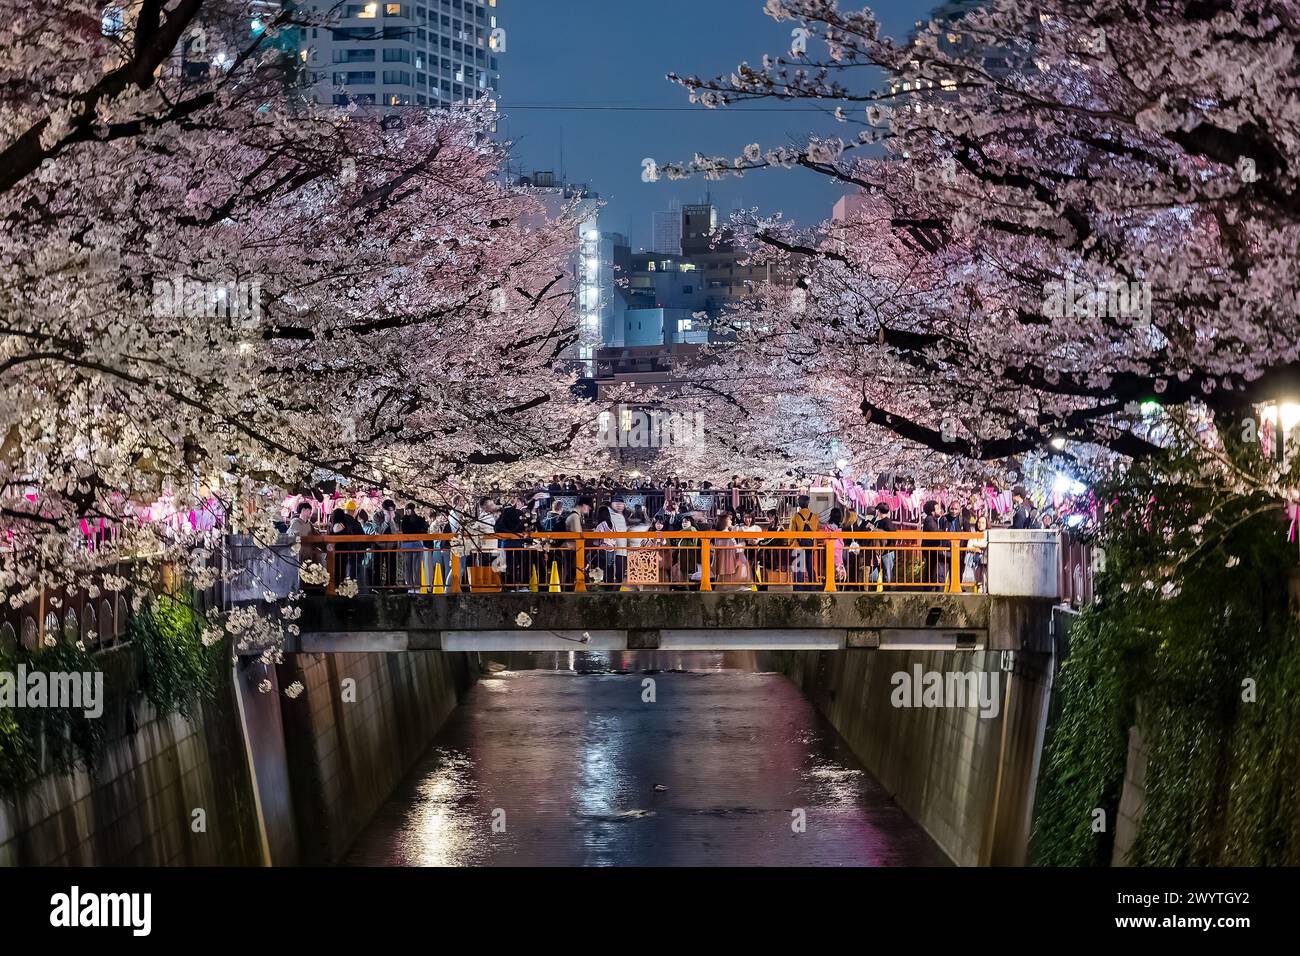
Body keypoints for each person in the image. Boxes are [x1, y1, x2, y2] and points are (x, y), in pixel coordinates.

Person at [494, 494, 530, 590]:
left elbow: (497, 528)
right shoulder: (518, 513)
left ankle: (509, 584)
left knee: (508, 564)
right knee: (522, 563)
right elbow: (524, 526)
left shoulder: (502, 515)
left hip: (506, 543)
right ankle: (523, 584)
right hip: (518, 542)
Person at [789, 495, 820, 590]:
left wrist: (790, 544)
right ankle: (812, 587)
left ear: (799, 503)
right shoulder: (814, 517)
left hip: (798, 545)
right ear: (808, 503)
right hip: (810, 546)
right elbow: (816, 531)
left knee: (799, 568)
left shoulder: (796, 516)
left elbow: (792, 532)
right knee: (810, 566)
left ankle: (799, 589)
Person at [399, 502, 430, 592]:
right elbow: (405, 530)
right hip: (408, 543)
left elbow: (423, 530)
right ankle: (409, 585)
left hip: (416, 543)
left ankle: (416, 585)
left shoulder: (419, 519)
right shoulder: (404, 519)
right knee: (408, 565)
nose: (408, 511)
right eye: (407, 510)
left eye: (410, 510)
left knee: (416, 566)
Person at [371, 499, 400, 588]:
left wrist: (392, 521)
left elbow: (396, 532)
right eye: (388, 511)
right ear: (383, 510)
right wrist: (386, 522)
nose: (390, 512)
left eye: (392, 510)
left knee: (391, 566)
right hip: (379, 545)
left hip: (391, 545)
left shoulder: (397, 516)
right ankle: (376, 586)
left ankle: (391, 585)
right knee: (377, 566)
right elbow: (379, 531)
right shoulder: (376, 516)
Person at [870, 502, 897, 587]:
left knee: (888, 573)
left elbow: (892, 535)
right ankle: (886, 589)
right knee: (885, 572)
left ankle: (888, 590)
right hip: (883, 550)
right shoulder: (881, 521)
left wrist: (876, 530)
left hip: (887, 550)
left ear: (879, 511)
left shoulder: (886, 522)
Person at [921, 500, 943, 590]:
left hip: (931, 548)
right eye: (937, 509)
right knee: (931, 568)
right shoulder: (930, 519)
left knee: (931, 567)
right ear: (932, 511)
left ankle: (929, 586)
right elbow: (935, 531)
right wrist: (945, 532)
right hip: (930, 548)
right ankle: (929, 587)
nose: (940, 510)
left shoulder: (932, 519)